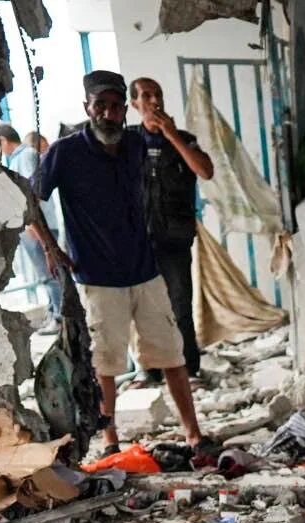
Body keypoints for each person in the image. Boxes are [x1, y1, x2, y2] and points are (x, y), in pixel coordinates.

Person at [32, 71, 205, 455]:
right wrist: (50, 247)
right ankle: (111, 443)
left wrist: (164, 125)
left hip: (146, 270)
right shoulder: (65, 151)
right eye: (101, 106)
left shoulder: (134, 143)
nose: (108, 114)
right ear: (87, 109)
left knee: (172, 354)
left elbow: (199, 168)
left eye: (115, 107)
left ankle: (193, 434)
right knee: (105, 364)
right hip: (96, 277)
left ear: (124, 110)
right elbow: (30, 203)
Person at [128, 76, 213, 386]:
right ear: (135, 105)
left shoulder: (184, 139)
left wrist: (172, 135)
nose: (154, 101)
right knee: (143, 308)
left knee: (179, 306)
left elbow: (205, 170)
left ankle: (189, 369)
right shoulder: (127, 142)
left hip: (174, 239)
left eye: (158, 94)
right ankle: (149, 371)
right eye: (146, 96)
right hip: (138, 241)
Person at [0, 123, 61, 327]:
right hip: (36, 227)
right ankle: (54, 311)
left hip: (39, 228)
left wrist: (35, 227)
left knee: (49, 274)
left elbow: (31, 196)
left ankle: (58, 317)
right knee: (46, 274)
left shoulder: (24, 157)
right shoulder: (19, 158)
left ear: (3, 141)